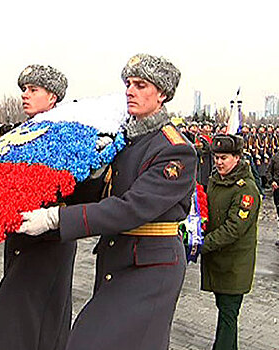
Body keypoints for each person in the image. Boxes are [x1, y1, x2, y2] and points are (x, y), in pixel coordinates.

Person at [18, 53, 196, 350]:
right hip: (121, 256)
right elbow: (102, 193)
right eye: (128, 83)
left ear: (162, 94)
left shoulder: (174, 149)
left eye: (140, 85)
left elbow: (131, 208)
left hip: (151, 267)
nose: (130, 90)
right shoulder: (125, 140)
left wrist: (55, 219)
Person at [0, 64, 104, 350]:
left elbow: (86, 190)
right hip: (20, 238)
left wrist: (52, 213)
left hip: (49, 241)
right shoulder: (21, 134)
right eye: (24, 90)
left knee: (33, 317)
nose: (25, 96)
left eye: (33, 90)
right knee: (12, 314)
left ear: (52, 97)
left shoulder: (70, 135)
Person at [201, 134, 260, 350]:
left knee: (228, 314)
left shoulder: (246, 189)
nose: (218, 162)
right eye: (216, 157)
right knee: (225, 311)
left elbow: (234, 228)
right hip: (218, 261)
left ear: (237, 158)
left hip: (234, 264)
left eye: (223, 158)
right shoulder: (215, 180)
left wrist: (201, 244)